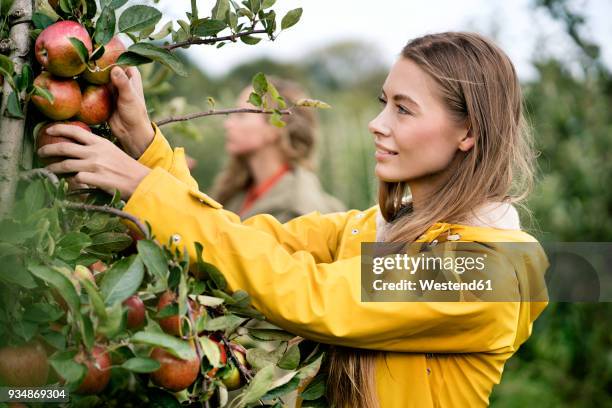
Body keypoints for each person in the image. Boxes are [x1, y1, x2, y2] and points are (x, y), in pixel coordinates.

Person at [39, 32, 549, 408]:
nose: (377, 123)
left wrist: (143, 187)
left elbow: (304, 293)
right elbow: (251, 243)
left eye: (403, 109)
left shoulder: (486, 272)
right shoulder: (376, 228)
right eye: (381, 103)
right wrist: (148, 149)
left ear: (468, 133)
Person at [211, 78, 346, 222]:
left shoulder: (297, 209)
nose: (228, 124)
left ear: (276, 127)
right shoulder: (237, 191)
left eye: (241, 115)